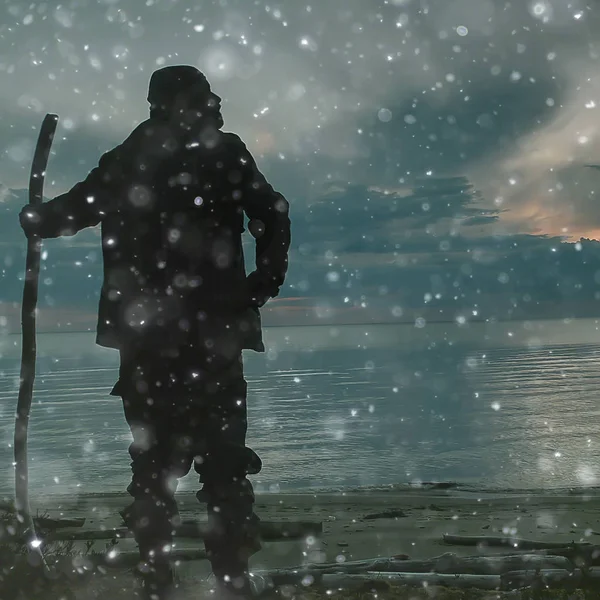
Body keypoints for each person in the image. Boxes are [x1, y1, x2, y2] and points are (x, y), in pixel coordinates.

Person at [19, 65, 291, 600]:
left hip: (165, 342)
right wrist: (264, 279)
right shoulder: (181, 155)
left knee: (177, 466)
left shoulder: (154, 157)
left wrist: (37, 220)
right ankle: (201, 578)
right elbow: (273, 214)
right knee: (195, 465)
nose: (208, 108)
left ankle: (180, 578)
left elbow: (73, 212)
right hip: (192, 339)